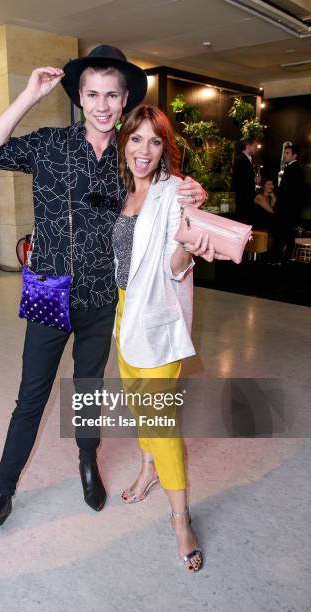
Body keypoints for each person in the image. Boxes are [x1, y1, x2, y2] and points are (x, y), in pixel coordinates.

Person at [0, 45, 206, 534]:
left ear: (123, 103)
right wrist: (30, 94)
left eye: (111, 95)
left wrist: (193, 192)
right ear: (80, 96)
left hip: (102, 299)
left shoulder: (130, 157)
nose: (101, 104)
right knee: (30, 396)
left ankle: (86, 461)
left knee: (88, 390)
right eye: (92, 94)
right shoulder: (51, 143)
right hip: (48, 292)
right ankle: (3, 491)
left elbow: (168, 187)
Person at [113, 105, 229, 571]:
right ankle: (146, 472)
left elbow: (174, 267)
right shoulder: (120, 190)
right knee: (140, 408)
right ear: (124, 143)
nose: (143, 150)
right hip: (122, 316)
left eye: (154, 141)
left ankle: (181, 519)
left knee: (161, 424)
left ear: (165, 148)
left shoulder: (173, 194)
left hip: (155, 321)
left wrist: (187, 242)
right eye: (136, 139)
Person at [271, 144, 306, 263]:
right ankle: (285, 260)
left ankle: (278, 261)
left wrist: (273, 190)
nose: (284, 156)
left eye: (287, 153)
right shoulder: (294, 168)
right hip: (290, 210)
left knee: (282, 235)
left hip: (286, 210)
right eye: (284, 153)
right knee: (287, 235)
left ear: (294, 155)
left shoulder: (293, 169)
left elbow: (286, 191)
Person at [231, 138, 258, 224]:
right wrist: (254, 180)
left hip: (245, 200)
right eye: (254, 146)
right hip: (242, 200)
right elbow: (241, 182)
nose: (256, 148)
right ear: (248, 146)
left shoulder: (246, 159)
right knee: (242, 223)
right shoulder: (241, 160)